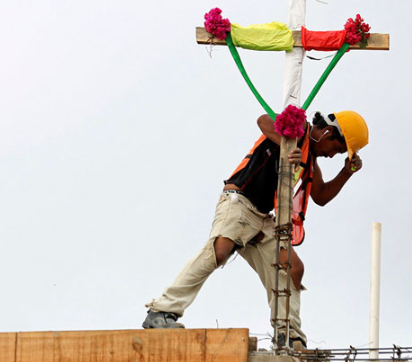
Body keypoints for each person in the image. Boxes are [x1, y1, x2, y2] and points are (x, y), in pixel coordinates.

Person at [142, 111, 369, 348]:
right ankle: (161, 311)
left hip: (261, 217)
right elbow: (263, 120)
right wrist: (285, 144)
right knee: (220, 251)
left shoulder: (309, 160)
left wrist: (346, 172)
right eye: (337, 149)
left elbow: (320, 196)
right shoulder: (298, 129)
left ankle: (289, 336)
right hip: (239, 201)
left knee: (293, 268)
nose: (333, 155)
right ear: (328, 132)